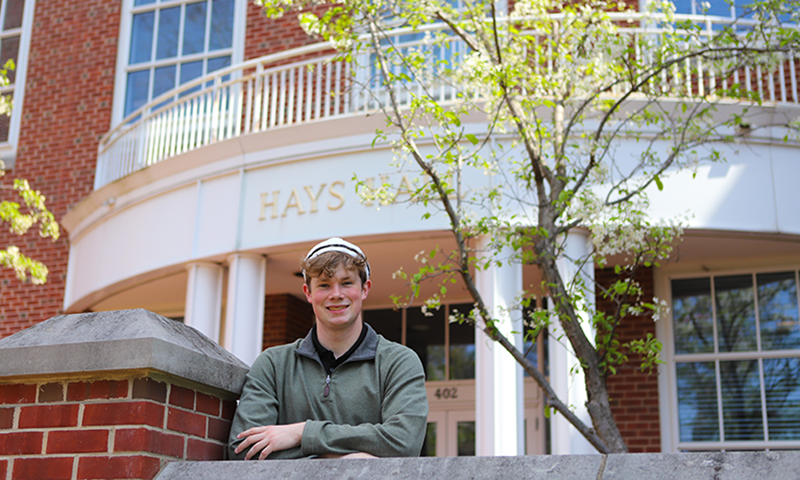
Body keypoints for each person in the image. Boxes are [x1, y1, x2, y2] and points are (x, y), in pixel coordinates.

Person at [228, 237, 429, 460]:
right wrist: (341, 462)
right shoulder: (273, 365)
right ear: (308, 293)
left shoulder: (398, 362)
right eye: (324, 284)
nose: (336, 294)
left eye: (346, 283)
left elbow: (404, 442)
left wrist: (302, 433)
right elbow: (243, 450)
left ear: (364, 289)